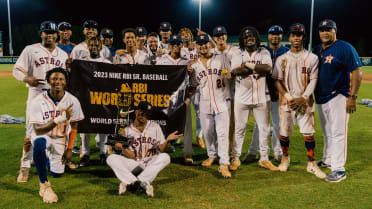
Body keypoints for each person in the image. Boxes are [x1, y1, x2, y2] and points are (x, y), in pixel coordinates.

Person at [13, 21, 69, 183]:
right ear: (41, 34)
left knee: (55, 130)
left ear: (56, 35)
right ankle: (24, 166)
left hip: (57, 97)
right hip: (37, 94)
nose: (49, 35)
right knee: (31, 132)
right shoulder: (31, 50)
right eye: (46, 32)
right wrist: (26, 78)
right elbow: (17, 69)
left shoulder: (63, 55)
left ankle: (48, 158)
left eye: (52, 32)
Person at [272, 23, 326, 178]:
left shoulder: (312, 58)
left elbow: (314, 80)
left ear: (303, 37)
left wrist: (303, 98)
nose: (296, 38)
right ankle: (285, 159)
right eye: (293, 35)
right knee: (284, 133)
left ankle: (311, 163)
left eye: (299, 35)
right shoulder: (282, 59)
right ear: (289, 37)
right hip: (286, 102)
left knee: (308, 133)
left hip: (305, 102)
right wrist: (289, 97)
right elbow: (277, 81)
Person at [313, 19, 363, 182]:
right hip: (321, 97)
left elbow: (357, 71)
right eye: (322, 30)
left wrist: (352, 97)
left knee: (338, 132)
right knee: (327, 131)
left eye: (329, 29)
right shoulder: (317, 49)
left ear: (335, 31)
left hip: (339, 96)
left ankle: (339, 169)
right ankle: (328, 160)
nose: (325, 32)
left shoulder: (345, 47)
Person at [29, 67, 84, 203]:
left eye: (61, 79)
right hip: (43, 135)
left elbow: (75, 125)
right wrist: (59, 118)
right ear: (48, 81)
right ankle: (44, 185)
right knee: (39, 143)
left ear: (65, 82)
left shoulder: (73, 101)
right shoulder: (38, 100)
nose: (57, 82)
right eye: (54, 79)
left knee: (57, 173)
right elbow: (38, 130)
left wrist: (70, 149)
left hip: (60, 138)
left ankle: (43, 158)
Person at [106, 101, 182, 197]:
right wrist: (122, 148)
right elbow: (132, 155)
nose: (145, 117)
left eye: (147, 114)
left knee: (166, 157)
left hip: (150, 163)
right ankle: (137, 182)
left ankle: (134, 182)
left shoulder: (155, 127)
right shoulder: (127, 130)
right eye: (143, 113)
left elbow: (161, 150)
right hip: (134, 164)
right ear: (136, 112)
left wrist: (167, 141)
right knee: (111, 158)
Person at [229, 27, 278, 171]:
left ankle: (264, 158)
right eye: (245, 37)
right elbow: (236, 71)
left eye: (251, 36)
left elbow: (268, 69)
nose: (249, 38)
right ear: (242, 40)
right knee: (239, 129)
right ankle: (235, 157)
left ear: (256, 38)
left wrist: (248, 66)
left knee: (264, 129)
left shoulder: (264, 52)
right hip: (241, 98)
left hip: (260, 97)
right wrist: (257, 68)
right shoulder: (237, 52)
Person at [189, 34, 232, 178]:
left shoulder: (221, 58)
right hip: (204, 102)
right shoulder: (194, 65)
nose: (203, 46)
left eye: (205, 43)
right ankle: (212, 155)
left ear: (210, 44)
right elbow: (193, 84)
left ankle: (224, 163)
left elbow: (231, 74)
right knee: (207, 133)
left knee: (222, 133)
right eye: (200, 44)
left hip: (221, 100)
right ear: (197, 46)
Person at [249, 25, 289, 162]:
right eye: (273, 34)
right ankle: (253, 152)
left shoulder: (287, 52)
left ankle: (277, 152)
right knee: (259, 125)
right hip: (262, 93)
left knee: (278, 124)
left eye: (278, 34)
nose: (275, 36)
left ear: (281, 36)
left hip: (280, 94)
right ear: (268, 36)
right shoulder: (261, 51)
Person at [157, 35, 194, 163]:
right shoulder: (161, 60)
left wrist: (188, 97)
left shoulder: (186, 61)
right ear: (169, 45)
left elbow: (192, 82)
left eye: (177, 43)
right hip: (165, 98)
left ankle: (187, 154)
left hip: (181, 98)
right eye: (172, 43)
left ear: (181, 46)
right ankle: (160, 151)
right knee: (161, 125)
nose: (175, 46)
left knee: (186, 125)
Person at [211, 26, 241, 170]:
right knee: (218, 129)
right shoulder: (211, 53)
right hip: (216, 96)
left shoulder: (234, 51)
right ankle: (219, 154)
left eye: (222, 34)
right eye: (217, 35)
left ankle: (235, 156)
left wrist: (232, 72)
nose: (220, 37)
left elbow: (236, 68)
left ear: (226, 36)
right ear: (214, 38)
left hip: (232, 94)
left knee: (232, 128)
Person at [78, 37, 112, 166]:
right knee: (85, 127)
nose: (93, 47)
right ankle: (85, 154)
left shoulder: (106, 63)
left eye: (96, 45)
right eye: (91, 45)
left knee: (102, 126)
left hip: (102, 99)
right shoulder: (82, 62)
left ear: (101, 46)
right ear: (88, 46)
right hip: (85, 99)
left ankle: (103, 152)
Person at [179, 27, 205, 149]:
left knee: (200, 113)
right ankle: (183, 136)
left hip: (198, 84)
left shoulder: (197, 47)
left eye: (187, 34)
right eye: (183, 34)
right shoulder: (178, 49)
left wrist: (205, 36)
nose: (185, 36)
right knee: (182, 113)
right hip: (184, 85)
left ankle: (199, 136)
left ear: (191, 35)